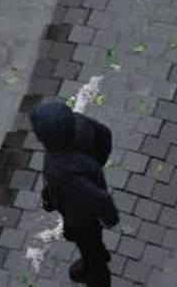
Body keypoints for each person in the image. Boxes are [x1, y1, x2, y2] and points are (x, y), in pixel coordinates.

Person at [30, 98, 119, 286]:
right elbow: (104, 134)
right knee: (89, 241)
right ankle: (95, 256)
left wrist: (109, 218)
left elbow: (98, 198)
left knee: (88, 245)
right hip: (82, 202)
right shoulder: (79, 123)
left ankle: (95, 269)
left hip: (81, 216)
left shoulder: (62, 170)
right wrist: (95, 165)